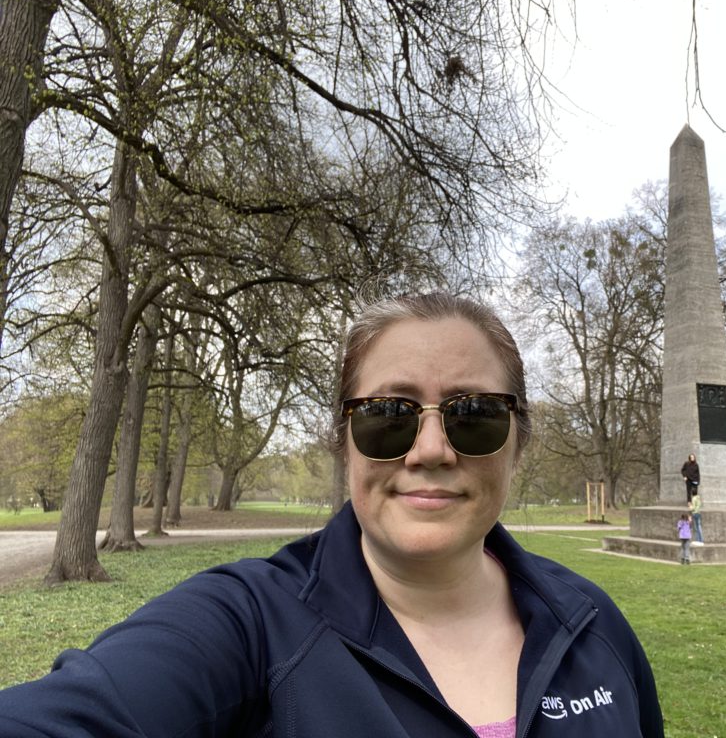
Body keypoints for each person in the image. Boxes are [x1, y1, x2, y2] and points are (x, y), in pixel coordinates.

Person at [0, 292, 663, 738]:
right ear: (341, 441)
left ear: (518, 440)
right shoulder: (250, 624)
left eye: (474, 415)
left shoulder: (594, 626)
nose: (431, 450)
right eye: (386, 416)